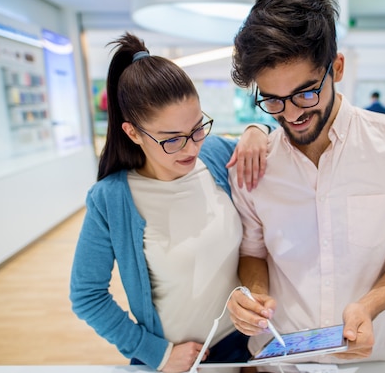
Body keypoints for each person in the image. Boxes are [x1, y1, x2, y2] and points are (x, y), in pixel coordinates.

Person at [226, 0, 385, 366]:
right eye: (273, 100)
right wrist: (255, 294)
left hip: (372, 358)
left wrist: (370, 305)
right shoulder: (255, 163)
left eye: (305, 93)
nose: (291, 114)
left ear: (337, 68)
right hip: (279, 360)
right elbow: (253, 251)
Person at [69, 33, 271, 373]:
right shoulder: (112, 199)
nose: (191, 148)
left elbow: (263, 132)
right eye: (172, 140)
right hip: (172, 362)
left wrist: (257, 129)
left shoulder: (216, 154)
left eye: (197, 128)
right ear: (133, 133)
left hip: (240, 345)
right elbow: (87, 295)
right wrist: (157, 353)